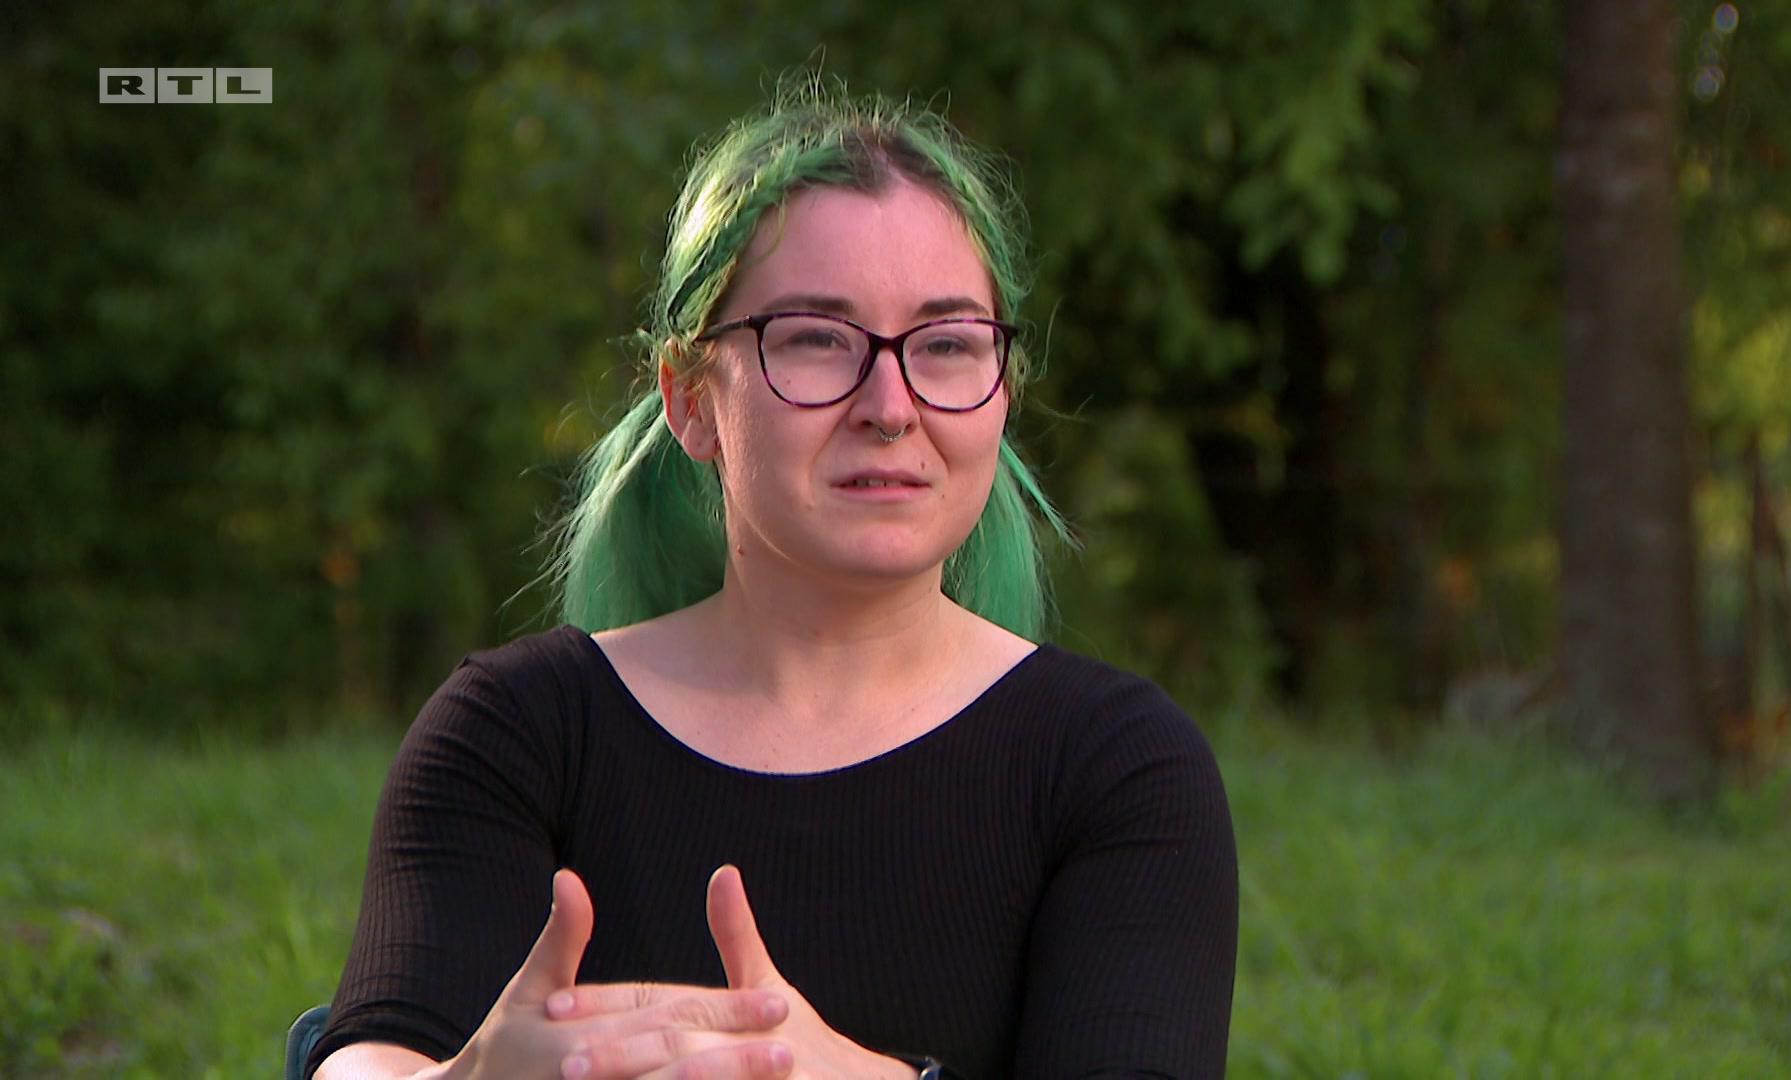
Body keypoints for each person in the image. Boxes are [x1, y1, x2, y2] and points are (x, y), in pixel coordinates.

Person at [307, 86, 1238, 1080]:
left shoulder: (1118, 768)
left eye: (947, 345)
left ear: (1001, 389)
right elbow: (371, 1061)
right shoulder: (514, 733)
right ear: (689, 398)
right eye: (816, 339)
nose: (891, 406)